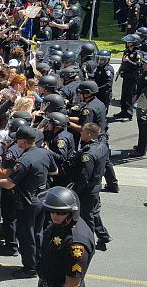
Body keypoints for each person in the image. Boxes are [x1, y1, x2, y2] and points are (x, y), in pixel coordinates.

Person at [0, 126, 58, 278]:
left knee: (26, 235)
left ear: (24, 142)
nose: (15, 141)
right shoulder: (45, 153)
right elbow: (54, 171)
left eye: (18, 139)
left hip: (27, 202)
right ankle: (38, 261)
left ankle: (29, 268)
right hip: (43, 197)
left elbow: (9, 184)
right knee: (38, 232)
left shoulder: (24, 161)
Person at [37, 186, 95, 287]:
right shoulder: (60, 224)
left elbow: (73, 283)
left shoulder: (76, 243)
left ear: (72, 212)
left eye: (61, 212)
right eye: (52, 211)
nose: (55, 215)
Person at [69, 123, 112, 251]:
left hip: (88, 190)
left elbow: (84, 177)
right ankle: (103, 236)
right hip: (96, 186)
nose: (80, 133)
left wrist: (74, 192)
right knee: (93, 212)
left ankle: (89, 242)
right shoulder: (102, 146)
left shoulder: (88, 154)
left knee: (87, 216)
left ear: (88, 134)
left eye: (82, 131)